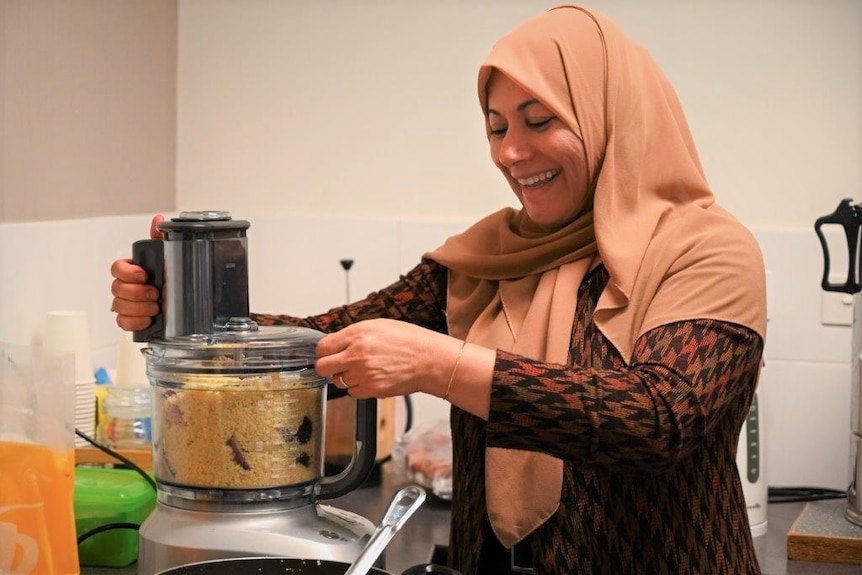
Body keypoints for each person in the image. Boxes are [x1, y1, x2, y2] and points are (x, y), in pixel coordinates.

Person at [111, 5, 767, 574]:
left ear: (609, 115)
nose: (512, 152)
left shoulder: (705, 249)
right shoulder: (491, 256)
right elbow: (333, 340)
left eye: (539, 120)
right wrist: (190, 313)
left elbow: (658, 420)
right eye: (497, 125)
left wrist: (444, 366)